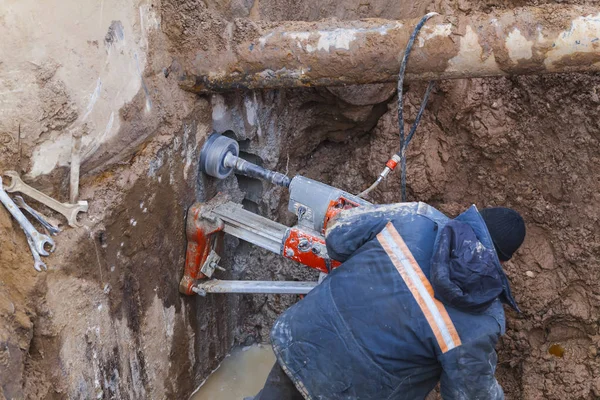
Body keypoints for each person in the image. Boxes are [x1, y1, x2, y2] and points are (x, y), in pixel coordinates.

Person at [251, 202, 526, 400]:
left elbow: (338, 237)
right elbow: (469, 393)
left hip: (303, 339)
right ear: (502, 262)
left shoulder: (417, 217)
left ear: (472, 219)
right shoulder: (482, 321)